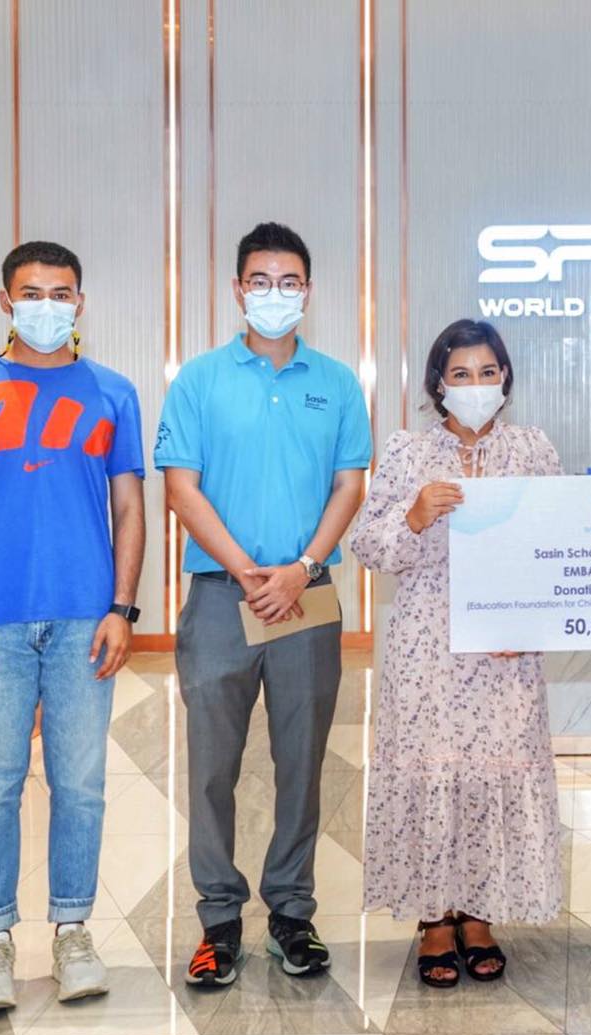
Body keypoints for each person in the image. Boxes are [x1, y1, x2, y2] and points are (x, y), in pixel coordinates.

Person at [0, 241, 145, 1015]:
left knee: (80, 784)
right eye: (32, 293)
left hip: (86, 618)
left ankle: (73, 933)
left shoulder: (113, 392)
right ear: (5, 301)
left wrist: (122, 608)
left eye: (61, 293)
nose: (47, 306)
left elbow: (129, 508)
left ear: (79, 301)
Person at [156, 222, 371, 987]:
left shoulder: (336, 383)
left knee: (302, 762)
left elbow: (350, 484)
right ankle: (218, 918)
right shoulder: (199, 381)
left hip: (307, 596)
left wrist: (302, 568)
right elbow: (180, 488)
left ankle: (291, 911)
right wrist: (249, 572)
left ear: (307, 290)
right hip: (222, 596)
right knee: (211, 767)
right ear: (237, 288)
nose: (274, 293)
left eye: (288, 282)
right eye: (260, 280)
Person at [351, 318, 563, 989]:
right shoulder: (408, 453)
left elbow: (559, 547)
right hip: (427, 651)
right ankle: (434, 919)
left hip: (504, 654)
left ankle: (478, 913)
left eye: (487, 373)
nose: (475, 385)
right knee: (433, 777)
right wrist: (412, 517)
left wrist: (532, 622)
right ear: (438, 384)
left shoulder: (532, 450)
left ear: (506, 379)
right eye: (461, 374)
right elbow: (367, 546)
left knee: (488, 778)